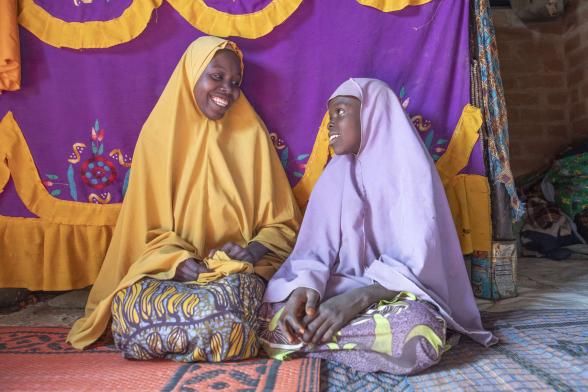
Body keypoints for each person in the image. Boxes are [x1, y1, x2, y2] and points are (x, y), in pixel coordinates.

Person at [67, 36, 301, 362]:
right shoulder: (158, 136)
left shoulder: (252, 136)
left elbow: (284, 224)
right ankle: (190, 342)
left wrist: (252, 250)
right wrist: (175, 262)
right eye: (216, 77)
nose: (226, 91)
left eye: (235, 83)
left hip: (232, 274)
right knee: (128, 311)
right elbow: (144, 229)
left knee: (226, 319)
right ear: (191, 73)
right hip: (166, 273)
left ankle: (186, 342)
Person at [259, 78, 496, 375]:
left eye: (341, 113)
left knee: (421, 330)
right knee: (274, 314)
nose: (331, 125)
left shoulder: (413, 173)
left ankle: (309, 342)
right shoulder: (335, 175)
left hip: (392, 296)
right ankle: (327, 338)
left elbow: (419, 266)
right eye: (330, 115)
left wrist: (357, 299)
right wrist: (304, 289)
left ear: (373, 114)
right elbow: (313, 252)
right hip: (337, 291)